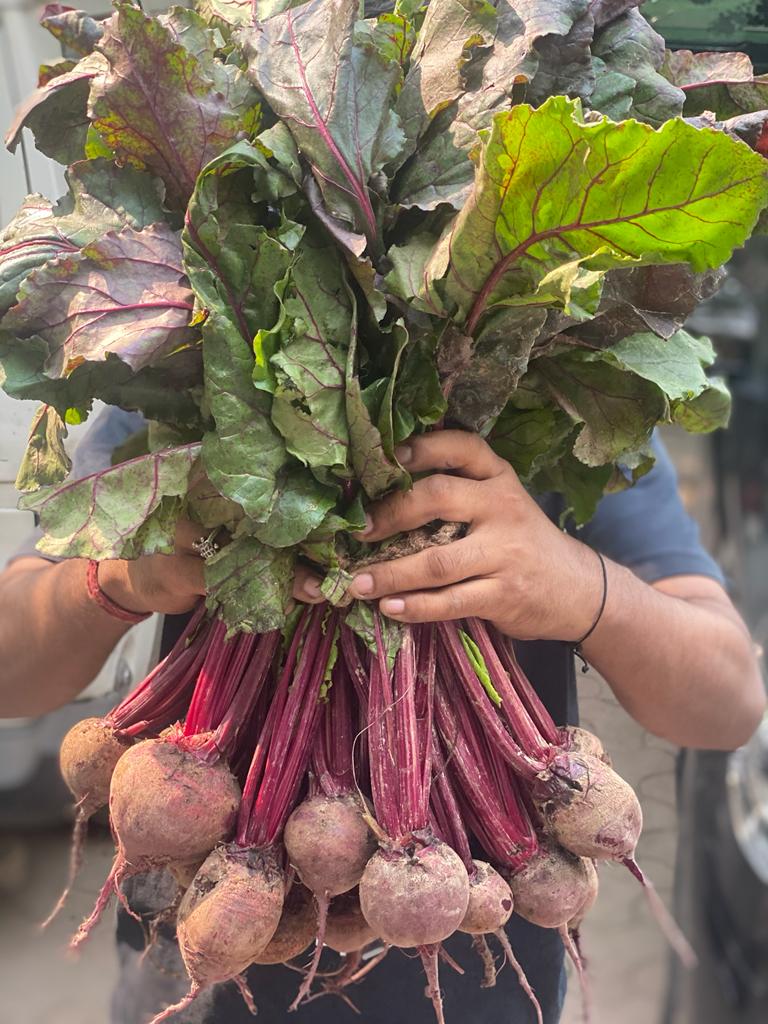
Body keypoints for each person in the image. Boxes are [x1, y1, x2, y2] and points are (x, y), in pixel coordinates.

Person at [0, 407, 764, 1024]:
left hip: (481, 964)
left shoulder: (569, 411)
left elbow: (732, 702)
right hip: (194, 952)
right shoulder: (167, 388)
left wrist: (587, 591)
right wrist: (116, 578)